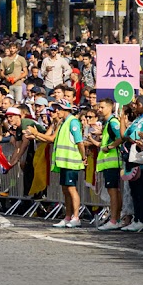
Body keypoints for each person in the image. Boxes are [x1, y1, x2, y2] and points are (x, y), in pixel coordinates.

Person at [26, 102, 86, 228]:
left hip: (71, 162)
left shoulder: (73, 122)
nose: (54, 112)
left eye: (56, 110)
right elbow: (52, 139)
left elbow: (79, 142)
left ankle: (76, 217)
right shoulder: (63, 123)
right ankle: (68, 217)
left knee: (71, 189)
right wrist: (34, 135)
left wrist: (83, 157)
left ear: (63, 109)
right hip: (64, 162)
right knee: (65, 190)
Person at [90, 99, 124, 230]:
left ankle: (114, 220)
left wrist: (110, 147)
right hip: (108, 163)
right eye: (99, 107)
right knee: (113, 191)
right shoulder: (108, 122)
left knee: (113, 192)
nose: (99, 109)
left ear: (110, 108)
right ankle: (116, 218)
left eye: (102, 107)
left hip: (113, 162)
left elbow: (121, 137)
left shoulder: (113, 122)